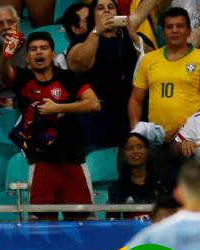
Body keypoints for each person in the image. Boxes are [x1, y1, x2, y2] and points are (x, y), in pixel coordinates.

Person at [2, 32, 101, 216]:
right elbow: (5, 74)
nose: (39, 53)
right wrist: (6, 55)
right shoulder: (22, 79)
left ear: (53, 54)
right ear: (27, 57)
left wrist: (58, 108)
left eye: (44, 48)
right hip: (40, 162)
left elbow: (94, 104)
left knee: (83, 223)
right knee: (41, 226)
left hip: (73, 160)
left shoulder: (68, 78)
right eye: (33, 49)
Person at [67, 0, 158, 149]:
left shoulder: (134, 36)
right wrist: (96, 32)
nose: (107, 11)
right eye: (100, 8)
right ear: (93, 16)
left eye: (111, 7)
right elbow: (80, 64)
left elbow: (156, 66)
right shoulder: (83, 39)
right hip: (99, 117)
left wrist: (135, 37)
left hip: (134, 113)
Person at [129, 7, 200, 138]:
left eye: (180, 26)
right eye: (169, 27)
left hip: (190, 138)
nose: (175, 30)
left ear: (189, 31)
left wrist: (193, 127)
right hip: (156, 139)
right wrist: (136, 130)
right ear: (163, 33)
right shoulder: (149, 59)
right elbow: (135, 100)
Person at [108, 128, 171, 204]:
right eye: (130, 148)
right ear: (124, 154)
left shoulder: (164, 181)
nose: (135, 151)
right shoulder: (116, 189)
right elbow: (113, 215)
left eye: (140, 147)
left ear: (147, 151)